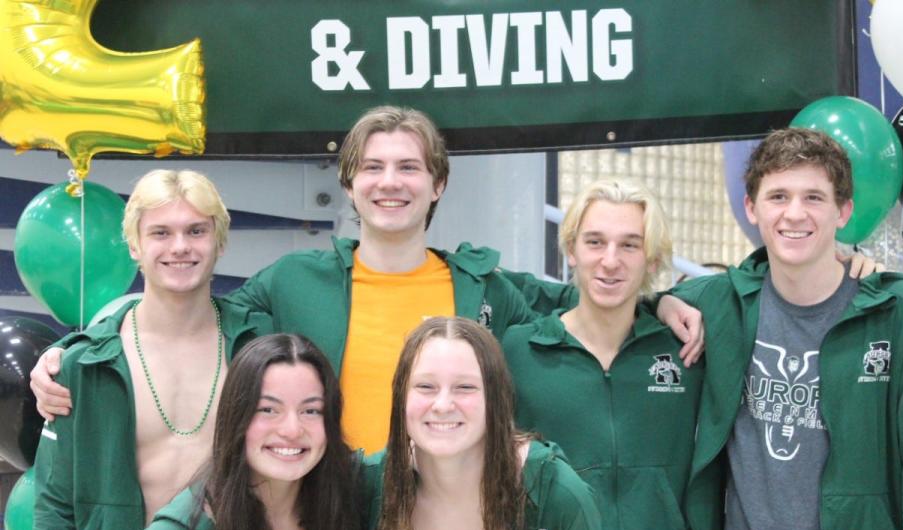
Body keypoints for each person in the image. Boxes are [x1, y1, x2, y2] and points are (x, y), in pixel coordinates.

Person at [31, 105, 550, 454]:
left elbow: (584, 319)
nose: (389, 182)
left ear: (437, 184)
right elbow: (194, 312)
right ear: (348, 184)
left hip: (447, 526)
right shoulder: (295, 280)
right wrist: (82, 343)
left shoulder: (486, 290)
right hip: (334, 526)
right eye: (372, 167)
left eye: (409, 168)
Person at [658, 128, 903, 530]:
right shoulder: (726, 303)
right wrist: (663, 302)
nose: (794, 214)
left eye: (813, 197)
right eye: (778, 196)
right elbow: (622, 303)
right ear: (752, 208)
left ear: (843, 212)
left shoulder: (892, 311)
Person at [31, 170, 271, 530]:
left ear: (219, 242)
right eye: (160, 232)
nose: (179, 246)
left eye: (196, 231)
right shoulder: (84, 365)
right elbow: (55, 510)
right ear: (134, 246)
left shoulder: (259, 350)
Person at [502, 179, 704, 530]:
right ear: (572, 250)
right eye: (595, 242)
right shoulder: (519, 350)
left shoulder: (684, 351)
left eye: (630, 245)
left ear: (652, 259)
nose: (610, 260)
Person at [360, 317, 611, 530]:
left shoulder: (557, 497)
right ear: (400, 397)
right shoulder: (370, 486)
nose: (443, 405)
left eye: (465, 387)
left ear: (496, 398)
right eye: (425, 386)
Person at [125, 333, 364, 530]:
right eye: (268, 409)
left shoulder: (345, 509)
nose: (292, 429)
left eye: (311, 410)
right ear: (236, 416)